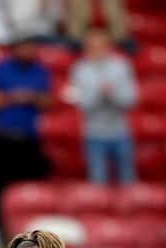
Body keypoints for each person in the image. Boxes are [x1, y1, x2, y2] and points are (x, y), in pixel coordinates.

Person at [0, 37, 51, 233]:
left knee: (28, 186)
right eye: (24, 46)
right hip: (3, 136)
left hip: (29, 138)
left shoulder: (40, 71)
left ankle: (29, 229)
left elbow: (48, 101)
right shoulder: (1, 69)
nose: (28, 50)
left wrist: (31, 97)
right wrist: (13, 97)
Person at [72, 27, 137, 186]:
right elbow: (81, 104)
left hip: (120, 132)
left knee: (127, 182)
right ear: (86, 47)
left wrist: (111, 95)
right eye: (92, 46)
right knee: (98, 184)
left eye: (101, 45)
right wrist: (100, 94)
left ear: (108, 46)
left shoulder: (121, 66)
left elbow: (131, 100)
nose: (97, 50)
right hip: (93, 134)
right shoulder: (79, 70)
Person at [64, 0, 130, 49]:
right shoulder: (76, 2)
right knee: (70, 45)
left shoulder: (114, 2)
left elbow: (119, 27)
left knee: (129, 45)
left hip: (110, 38)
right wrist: (92, 41)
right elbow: (74, 30)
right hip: (84, 40)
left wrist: (105, 40)